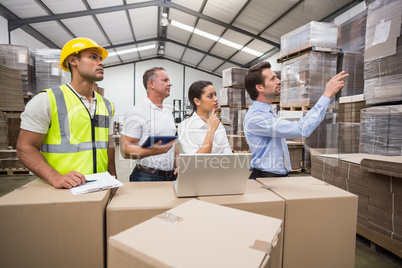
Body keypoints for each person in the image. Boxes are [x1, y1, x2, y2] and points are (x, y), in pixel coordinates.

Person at [17, 37, 116, 188]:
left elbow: (109, 147)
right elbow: (25, 147)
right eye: (93, 57)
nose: (101, 62)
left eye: (100, 58)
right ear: (73, 61)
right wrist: (55, 177)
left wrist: (113, 178)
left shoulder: (107, 105)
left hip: (100, 187)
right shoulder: (47, 100)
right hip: (64, 189)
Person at [243, 61, 348, 179]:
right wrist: (327, 94)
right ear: (259, 87)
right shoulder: (256, 118)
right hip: (266, 178)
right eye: (273, 79)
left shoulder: (267, 112)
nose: (279, 81)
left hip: (276, 177)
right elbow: (302, 129)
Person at [120, 67, 178, 182]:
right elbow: (125, 150)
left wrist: (177, 165)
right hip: (147, 177)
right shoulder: (137, 111)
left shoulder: (167, 111)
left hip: (170, 176)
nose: (170, 84)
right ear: (152, 84)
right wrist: (152, 152)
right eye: (165, 80)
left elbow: (172, 144)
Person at [178, 80, 232, 154]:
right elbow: (197, 160)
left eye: (215, 95)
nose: (216, 99)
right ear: (197, 101)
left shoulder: (218, 124)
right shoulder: (185, 127)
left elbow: (228, 155)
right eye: (210, 96)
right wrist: (211, 129)